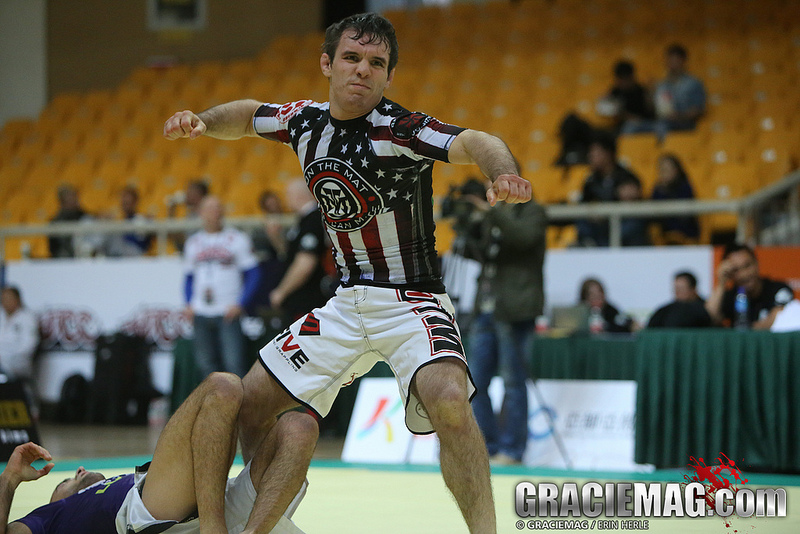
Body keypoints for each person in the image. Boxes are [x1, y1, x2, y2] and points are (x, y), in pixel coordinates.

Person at [163, 12, 531, 533]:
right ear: (327, 64)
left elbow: (477, 140)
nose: (363, 70)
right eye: (352, 58)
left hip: (413, 299)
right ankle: (257, 514)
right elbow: (248, 115)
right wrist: (203, 119)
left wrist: (503, 173)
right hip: (346, 300)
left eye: (377, 63)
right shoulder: (304, 121)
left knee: (450, 402)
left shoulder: (403, 129)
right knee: (247, 403)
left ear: (388, 76)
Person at [0, 373, 317, 534]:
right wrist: (10, 477)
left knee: (300, 426)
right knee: (223, 387)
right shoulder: (47, 519)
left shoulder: (123, 481)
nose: (79, 470)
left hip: (213, 503)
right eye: (67, 480)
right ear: (56, 502)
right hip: (155, 515)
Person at [466, 189, 547, 465]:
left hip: (515, 308)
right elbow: (479, 254)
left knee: (513, 381)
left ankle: (512, 450)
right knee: (475, 382)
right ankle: (485, 447)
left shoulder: (533, 212)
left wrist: (492, 214)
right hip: (485, 308)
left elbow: (524, 239)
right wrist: (469, 225)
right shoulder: (493, 216)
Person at [183, 196, 261, 379]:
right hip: (201, 311)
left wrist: (241, 303)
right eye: (209, 209)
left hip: (227, 311)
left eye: (217, 208)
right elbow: (188, 277)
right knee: (205, 366)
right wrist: (188, 303)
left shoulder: (237, 238)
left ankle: (240, 408)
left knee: (234, 364)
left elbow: (254, 273)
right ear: (200, 213)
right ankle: (214, 407)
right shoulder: (193, 242)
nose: (213, 213)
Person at [268, 180, 330, 328]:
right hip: (301, 299)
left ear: (299, 195)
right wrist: (276, 238)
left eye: (288, 194)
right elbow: (292, 255)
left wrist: (281, 292)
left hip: (307, 300)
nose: (286, 199)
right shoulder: (303, 221)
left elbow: (305, 262)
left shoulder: (313, 220)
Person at [622, 43, 706, 140]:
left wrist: (679, 116)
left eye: (675, 60)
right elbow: (651, 109)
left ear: (683, 61)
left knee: (662, 126)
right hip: (661, 121)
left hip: (683, 124)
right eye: (669, 60)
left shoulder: (693, 83)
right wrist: (650, 93)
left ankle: (663, 153)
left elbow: (698, 110)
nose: (671, 64)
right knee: (630, 126)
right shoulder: (661, 84)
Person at [574, 132, 643, 247]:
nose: (590, 156)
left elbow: (636, 205)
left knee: (633, 224)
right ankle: (589, 244)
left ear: (608, 154)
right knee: (581, 221)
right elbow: (584, 203)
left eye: (595, 153)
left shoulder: (626, 177)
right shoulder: (591, 181)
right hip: (600, 226)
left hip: (622, 225)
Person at [705, 243, 794, 330]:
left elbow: (776, 320)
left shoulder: (778, 289)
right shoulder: (731, 295)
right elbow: (709, 318)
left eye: (747, 266)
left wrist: (743, 331)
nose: (744, 274)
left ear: (756, 264)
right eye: (736, 270)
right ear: (730, 274)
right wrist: (721, 284)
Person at [650, 154, 700, 244]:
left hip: (685, 231)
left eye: (667, 169)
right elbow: (653, 210)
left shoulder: (685, 187)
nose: (664, 173)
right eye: (662, 170)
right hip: (664, 232)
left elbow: (686, 213)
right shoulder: (658, 189)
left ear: (676, 170)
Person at [596, 60, 655, 134]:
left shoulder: (641, 90)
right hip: (623, 126)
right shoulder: (615, 91)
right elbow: (606, 111)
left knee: (659, 126)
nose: (622, 83)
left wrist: (650, 94)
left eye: (624, 79)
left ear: (631, 77)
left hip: (644, 123)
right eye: (619, 80)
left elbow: (650, 112)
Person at [0, 286, 39, 382]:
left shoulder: (28, 318)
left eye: (9, 298)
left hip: (17, 363)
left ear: (17, 299)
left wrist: (6, 357)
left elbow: (28, 346)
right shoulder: (1, 316)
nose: (5, 302)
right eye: (3, 299)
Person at [647, 271, 712, 328]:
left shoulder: (706, 308)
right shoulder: (665, 310)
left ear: (693, 289)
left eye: (681, 288)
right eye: (675, 288)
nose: (677, 292)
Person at [103, 186, 154, 257]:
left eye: (128, 203)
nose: (125, 205)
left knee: (114, 236)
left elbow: (143, 238)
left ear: (135, 203)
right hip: (119, 253)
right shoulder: (119, 220)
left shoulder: (140, 219)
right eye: (124, 203)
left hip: (136, 253)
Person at [48, 185, 97, 258]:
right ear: (63, 201)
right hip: (64, 257)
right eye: (71, 198)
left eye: (75, 197)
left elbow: (90, 217)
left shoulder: (82, 215)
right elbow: (55, 247)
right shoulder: (56, 222)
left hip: (82, 255)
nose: (75, 201)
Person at [168, 179, 209, 253]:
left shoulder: (206, 214)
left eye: (190, 191)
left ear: (200, 194)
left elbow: (186, 239)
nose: (186, 194)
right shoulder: (190, 214)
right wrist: (172, 210)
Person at [615, 174, 650, 247]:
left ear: (638, 189)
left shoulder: (647, 209)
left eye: (631, 187)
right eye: (624, 188)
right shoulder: (612, 209)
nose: (628, 192)